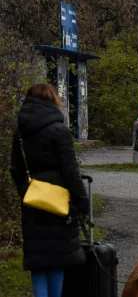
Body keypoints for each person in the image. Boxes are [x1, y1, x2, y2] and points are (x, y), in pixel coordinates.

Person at [9, 84, 91, 297]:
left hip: (32, 200)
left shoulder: (20, 132)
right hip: (59, 200)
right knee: (57, 261)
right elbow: (70, 170)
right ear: (52, 100)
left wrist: (25, 191)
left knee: (38, 261)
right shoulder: (59, 130)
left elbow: (16, 168)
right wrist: (82, 201)